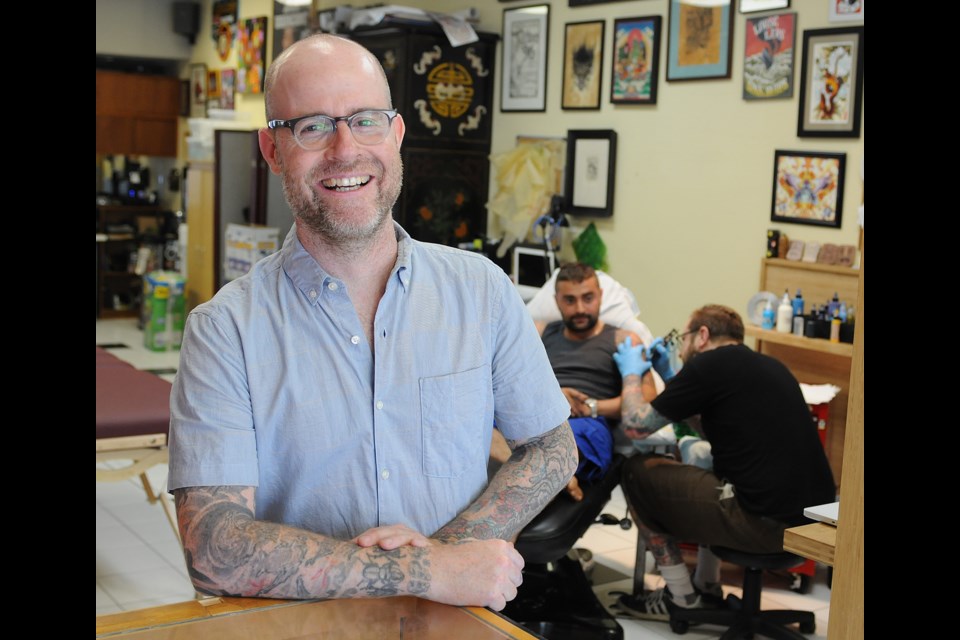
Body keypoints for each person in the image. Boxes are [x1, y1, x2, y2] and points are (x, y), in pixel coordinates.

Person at [167, 34, 577, 613]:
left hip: (452, 625)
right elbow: (213, 547)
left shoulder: (481, 290)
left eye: (365, 120)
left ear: (397, 133)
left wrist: (451, 554)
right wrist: (422, 569)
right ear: (271, 149)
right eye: (311, 126)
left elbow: (552, 447)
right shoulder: (223, 330)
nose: (344, 149)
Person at [610, 304, 835, 621]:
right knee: (710, 465)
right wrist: (672, 376)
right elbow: (715, 426)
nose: (682, 346)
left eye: (685, 337)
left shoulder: (709, 365)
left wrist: (631, 371)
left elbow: (635, 424)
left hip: (766, 526)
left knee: (635, 471)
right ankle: (706, 586)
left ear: (702, 336)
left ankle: (681, 597)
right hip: (808, 525)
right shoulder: (768, 365)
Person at [491, 263, 655, 501]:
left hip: (588, 423)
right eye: (569, 300)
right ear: (557, 301)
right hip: (537, 414)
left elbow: (647, 401)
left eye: (588, 298)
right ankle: (546, 469)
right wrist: (552, 396)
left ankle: (546, 465)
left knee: (555, 440)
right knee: (480, 424)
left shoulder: (624, 339)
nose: (580, 308)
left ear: (600, 296)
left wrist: (592, 406)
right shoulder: (539, 331)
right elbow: (505, 381)